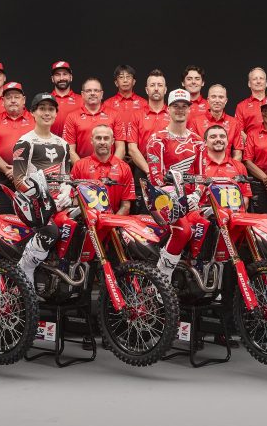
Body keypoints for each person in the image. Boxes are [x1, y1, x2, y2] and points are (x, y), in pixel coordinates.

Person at [12, 93, 73, 284]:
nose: (47, 113)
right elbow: (18, 180)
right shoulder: (25, 142)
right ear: (32, 113)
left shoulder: (63, 144)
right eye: (42, 109)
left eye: (51, 109)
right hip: (30, 204)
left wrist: (66, 192)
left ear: (56, 113)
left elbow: (66, 176)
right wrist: (42, 197)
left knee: (78, 226)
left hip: (57, 203)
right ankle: (25, 267)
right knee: (51, 232)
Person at [145, 89, 203, 280]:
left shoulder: (197, 141)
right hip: (162, 199)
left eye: (184, 106)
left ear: (189, 109)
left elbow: (201, 176)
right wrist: (180, 199)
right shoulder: (157, 139)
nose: (180, 110)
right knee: (183, 231)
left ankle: (195, 273)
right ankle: (162, 278)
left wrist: (196, 195)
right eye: (175, 106)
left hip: (190, 201)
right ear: (168, 109)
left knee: (209, 225)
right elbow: (156, 179)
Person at [0, 82, 35, 213]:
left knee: (30, 218)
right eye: (9, 97)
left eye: (16, 97)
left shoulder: (35, 120)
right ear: (3, 101)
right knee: (3, 218)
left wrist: (20, 170)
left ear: (24, 99)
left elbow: (41, 151)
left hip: (29, 179)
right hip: (1, 180)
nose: (13, 100)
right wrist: (8, 170)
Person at [126, 69, 170, 212]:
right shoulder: (136, 115)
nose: (156, 88)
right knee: (142, 217)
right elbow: (132, 149)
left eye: (160, 85)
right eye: (152, 85)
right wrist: (150, 171)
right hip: (143, 171)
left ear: (165, 90)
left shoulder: (173, 114)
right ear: (146, 89)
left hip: (168, 172)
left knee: (168, 216)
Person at [71, 125, 135, 215]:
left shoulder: (124, 168)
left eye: (106, 138)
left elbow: (126, 206)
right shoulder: (79, 166)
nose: (102, 142)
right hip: (86, 221)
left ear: (112, 141)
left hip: (114, 221)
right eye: (98, 138)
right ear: (91, 140)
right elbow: (74, 201)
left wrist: (111, 222)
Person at [63, 77, 125, 163]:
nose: (92, 93)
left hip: (110, 166)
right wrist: (82, 168)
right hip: (81, 167)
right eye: (88, 91)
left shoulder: (115, 115)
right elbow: (70, 150)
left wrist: (111, 167)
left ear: (102, 94)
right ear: (82, 94)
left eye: (96, 90)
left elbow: (121, 148)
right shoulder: (72, 116)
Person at [187, 84, 244, 160]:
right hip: (203, 166)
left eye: (221, 97)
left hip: (227, 166)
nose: (217, 101)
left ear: (226, 101)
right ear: (208, 100)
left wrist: (229, 167)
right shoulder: (195, 122)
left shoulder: (234, 123)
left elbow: (238, 153)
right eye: (213, 97)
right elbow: (191, 152)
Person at [234, 67, 267, 133]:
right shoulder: (241, 106)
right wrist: (251, 139)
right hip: (249, 139)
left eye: (261, 78)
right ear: (249, 83)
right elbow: (239, 132)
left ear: (266, 83)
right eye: (255, 79)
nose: (258, 81)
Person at [49, 61, 83, 136]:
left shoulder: (82, 100)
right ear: (52, 79)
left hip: (74, 143)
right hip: (49, 143)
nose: (62, 78)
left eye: (65, 74)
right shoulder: (46, 100)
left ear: (71, 77)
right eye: (57, 75)